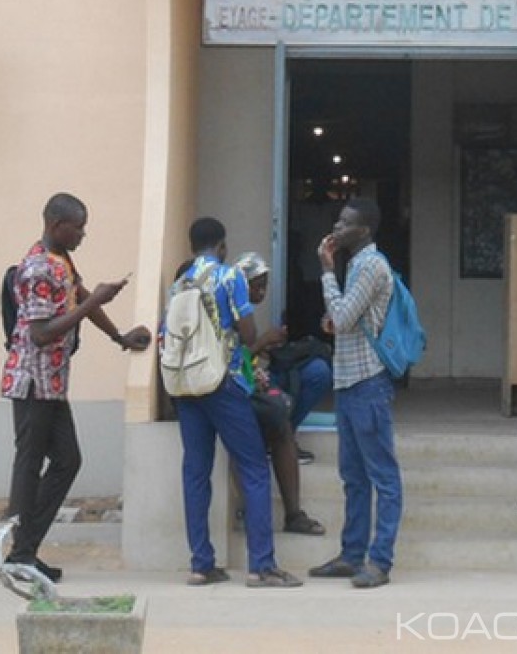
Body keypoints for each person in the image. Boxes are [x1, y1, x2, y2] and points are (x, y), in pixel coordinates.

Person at [1, 192, 151, 581]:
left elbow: (82, 298)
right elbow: (40, 333)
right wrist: (91, 302)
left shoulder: (61, 261)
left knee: (68, 460)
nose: (83, 234)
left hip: (52, 383)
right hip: (33, 382)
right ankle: (20, 553)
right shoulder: (37, 269)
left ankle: (24, 550)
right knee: (30, 463)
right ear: (56, 226)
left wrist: (119, 337)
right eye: (78, 228)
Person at [167, 218, 302, 588]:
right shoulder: (230, 277)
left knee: (196, 472)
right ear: (222, 246)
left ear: (192, 245)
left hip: (187, 386)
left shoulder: (179, 283)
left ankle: (201, 564)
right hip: (223, 382)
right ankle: (261, 566)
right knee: (254, 467)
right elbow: (248, 333)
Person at [308, 197, 402, 589]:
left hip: (368, 382)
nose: (337, 227)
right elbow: (342, 318)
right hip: (348, 383)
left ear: (364, 230)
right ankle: (351, 555)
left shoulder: (371, 265)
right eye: (338, 220)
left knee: (383, 476)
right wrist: (335, 312)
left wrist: (327, 271)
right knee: (353, 476)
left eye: (346, 223)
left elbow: (344, 318)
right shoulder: (358, 265)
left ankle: (379, 561)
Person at [233, 252, 324, 536]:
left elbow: (245, 360)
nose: (262, 292)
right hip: (230, 390)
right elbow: (228, 360)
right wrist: (261, 343)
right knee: (254, 429)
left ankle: (293, 514)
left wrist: (263, 358)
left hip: (251, 381)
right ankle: (252, 510)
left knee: (285, 411)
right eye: (256, 286)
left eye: (264, 286)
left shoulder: (245, 309)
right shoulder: (229, 308)